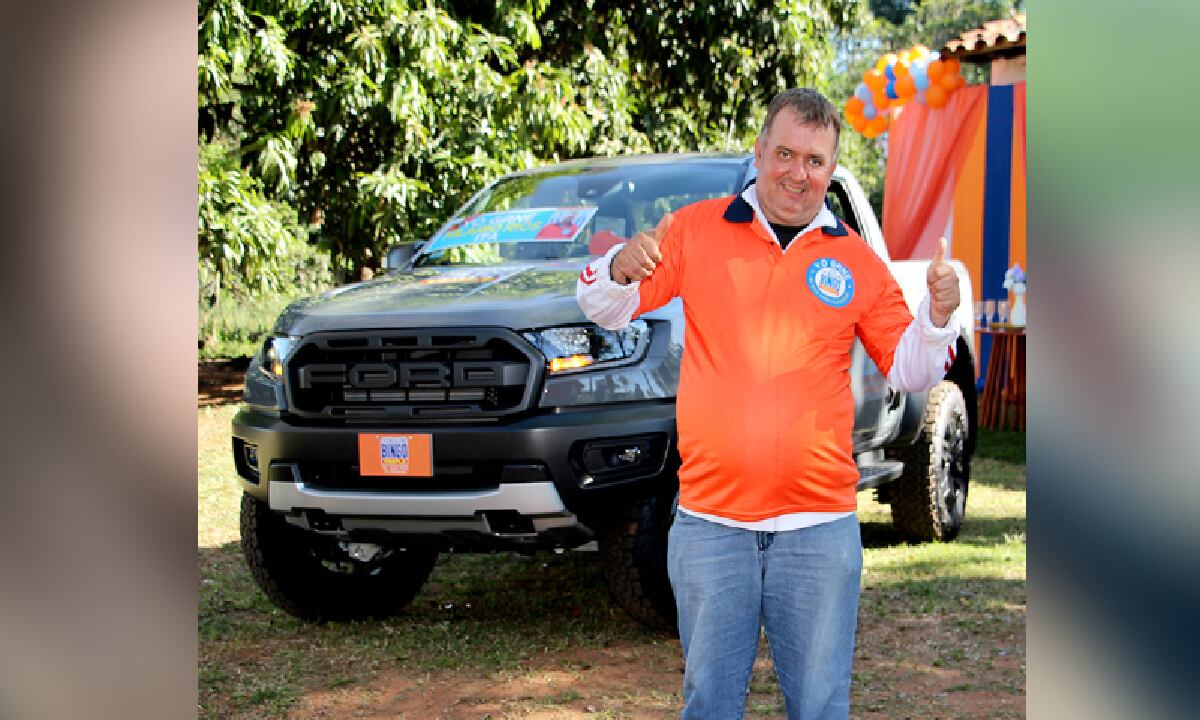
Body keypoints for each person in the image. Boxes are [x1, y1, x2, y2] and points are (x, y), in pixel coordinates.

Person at [575, 88, 961, 719]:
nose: (797, 172)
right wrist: (620, 265)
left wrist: (938, 318)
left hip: (819, 530)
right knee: (709, 703)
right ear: (759, 152)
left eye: (814, 160)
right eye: (784, 153)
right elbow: (601, 307)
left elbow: (910, 366)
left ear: (831, 170)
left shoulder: (855, 260)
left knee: (818, 705)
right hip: (710, 526)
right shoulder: (695, 230)